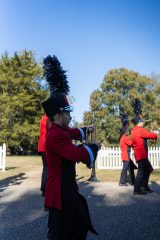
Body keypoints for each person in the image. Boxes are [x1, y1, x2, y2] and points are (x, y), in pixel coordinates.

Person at [42, 55, 100, 240]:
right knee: (59, 232)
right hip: (60, 190)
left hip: (66, 187)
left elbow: (71, 132)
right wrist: (93, 147)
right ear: (59, 114)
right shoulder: (56, 134)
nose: (70, 116)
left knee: (78, 222)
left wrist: (84, 131)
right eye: (67, 112)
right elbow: (75, 154)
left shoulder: (60, 129)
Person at [131, 98, 158, 195]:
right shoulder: (139, 130)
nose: (143, 123)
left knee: (148, 169)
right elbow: (150, 135)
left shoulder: (134, 130)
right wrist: (156, 134)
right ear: (139, 123)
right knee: (142, 172)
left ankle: (144, 186)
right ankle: (137, 189)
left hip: (140, 155)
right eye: (141, 122)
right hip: (142, 155)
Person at [38, 114, 48, 196]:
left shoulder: (43, 118)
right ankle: (45, 189)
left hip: (42, 145)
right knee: (47, 168)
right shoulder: (47, 119)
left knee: (46, 167)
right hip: (45, 145)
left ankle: (44, 189)